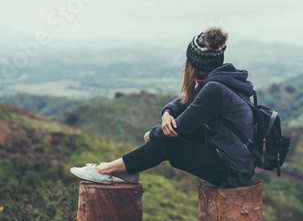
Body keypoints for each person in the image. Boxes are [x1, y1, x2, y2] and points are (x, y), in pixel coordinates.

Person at [70, 27, 255, 188]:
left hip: (234, 172)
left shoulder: (214, 89)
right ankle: (126, 172)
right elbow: (183, 103)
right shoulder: (220, 81)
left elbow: (179, 128)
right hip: (234, 160)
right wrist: (167, 113)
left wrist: (153, 133)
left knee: (167, 144)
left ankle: (105, 170)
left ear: (193, 63)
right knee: (167, 138)